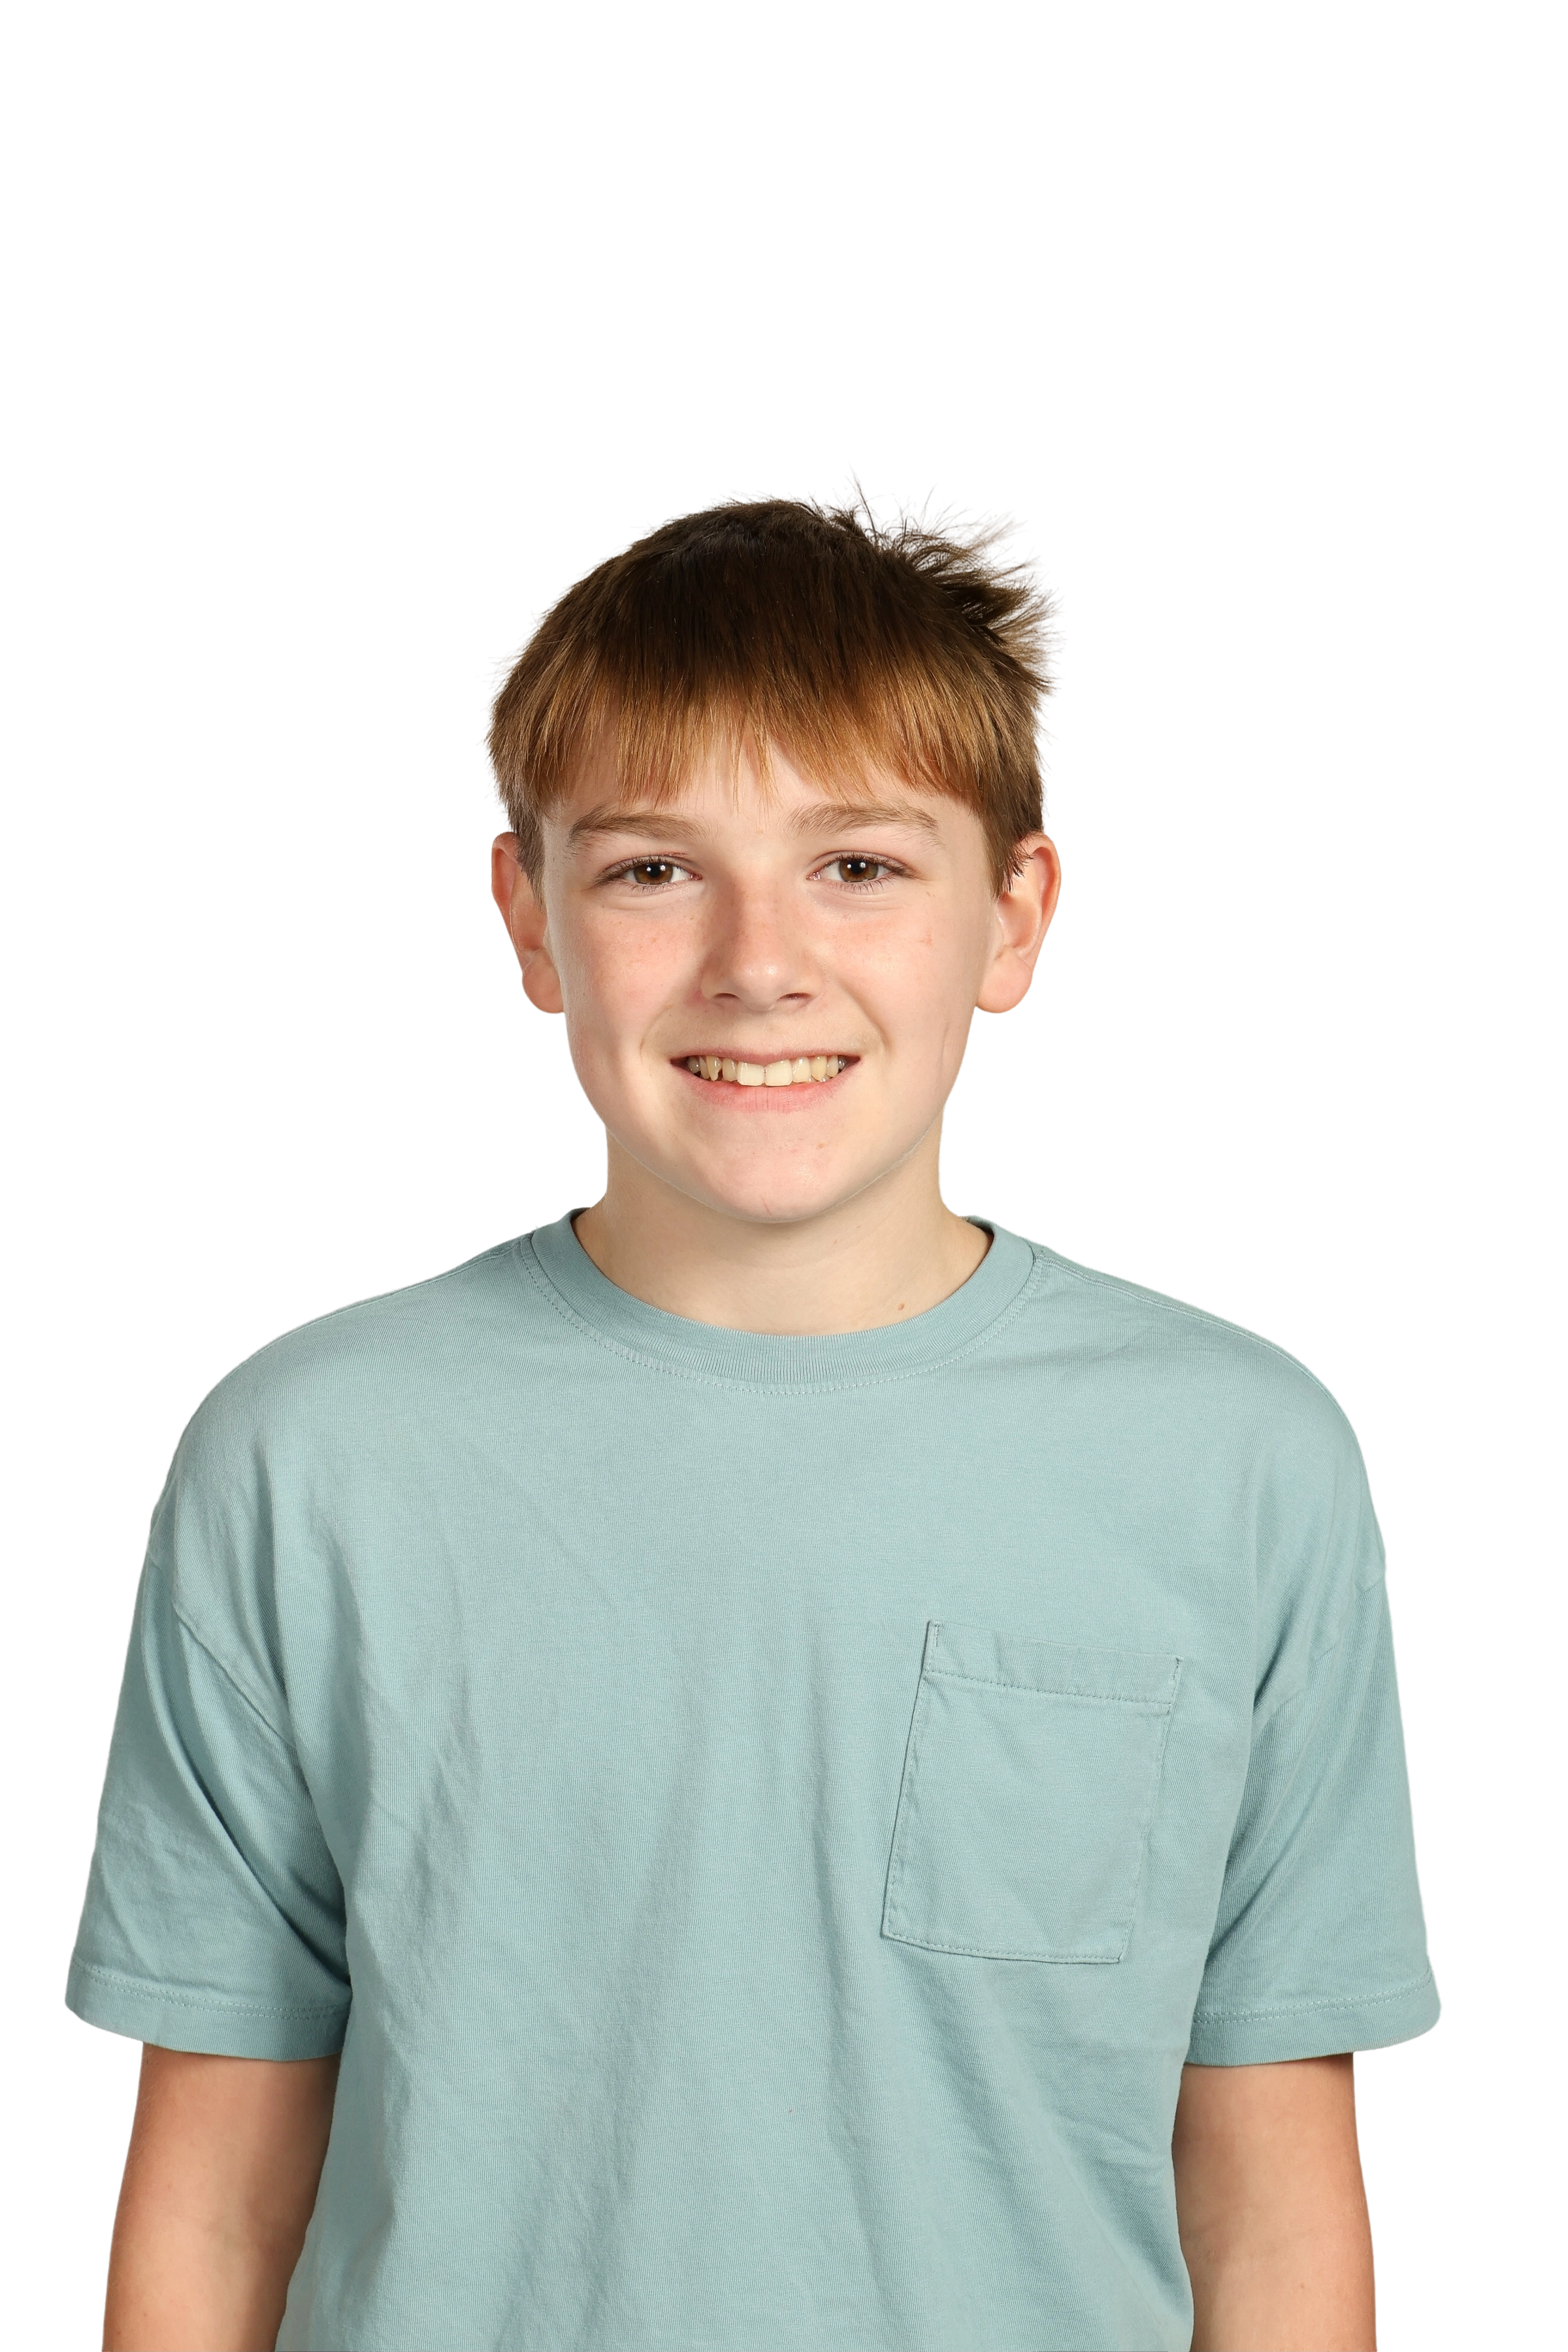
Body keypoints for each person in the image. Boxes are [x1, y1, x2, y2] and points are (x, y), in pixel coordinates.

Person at [65, 469, 1441, 2352]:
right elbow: (218, 2200)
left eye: (858, 864)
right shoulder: (306, 1458)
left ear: (1015, 915)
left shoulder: (1239, 1462)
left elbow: (1271, 2206)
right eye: (653, 869)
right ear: (527, 919)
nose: (759, 962)